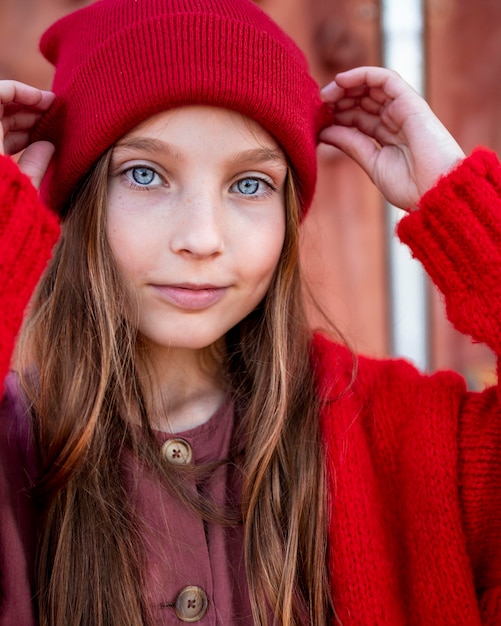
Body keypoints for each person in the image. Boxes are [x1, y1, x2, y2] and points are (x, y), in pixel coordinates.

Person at [1, 0, 500, 624]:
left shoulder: (407, 438)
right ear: (77, 197)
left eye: (249, 184)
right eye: (145, 174)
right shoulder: (13, 455)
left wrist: (464, 205)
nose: (203, 237)